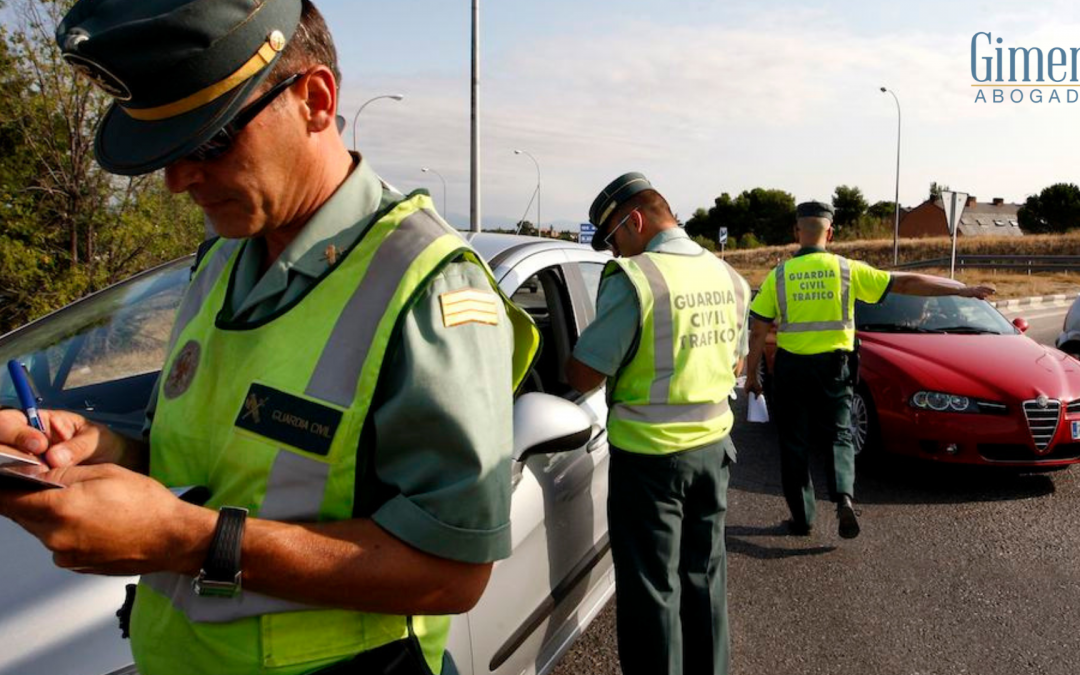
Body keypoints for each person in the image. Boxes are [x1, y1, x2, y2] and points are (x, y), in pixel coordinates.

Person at [0, 1, 539, 674]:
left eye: (210, 141)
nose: (177, 180)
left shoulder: (428, 288)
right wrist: (103, 448)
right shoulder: (224, 255)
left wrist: (187, 539)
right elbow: (219, 464)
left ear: (315, 99)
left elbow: (453, 576)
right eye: (169, 150)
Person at [565, 173, 750, 675]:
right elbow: (736, 365)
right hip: (714, 452)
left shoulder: (636, 279)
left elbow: (586, 372)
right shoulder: (727, 276)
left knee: (652, 592)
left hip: (650, 463)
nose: (615, 253)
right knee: (705, 577)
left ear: (636, 221)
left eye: (615, 239)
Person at [744, 201, 994, 539]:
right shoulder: (848, 270)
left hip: (793, 369)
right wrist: (961, 291)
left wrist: (752, 377)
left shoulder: (780, 275)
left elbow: (758, 330)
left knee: (794, 443)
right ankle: (844, 497)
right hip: (836, 367)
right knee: (839, 434)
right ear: (830, 233)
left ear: (796, 232)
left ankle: (802, 518)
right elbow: (906, 283)